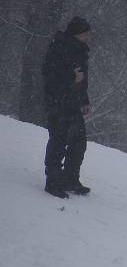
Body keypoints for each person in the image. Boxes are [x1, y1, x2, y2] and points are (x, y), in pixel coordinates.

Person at [42, 16, 92, 198]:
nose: (88, 37)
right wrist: (71, 78)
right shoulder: (59, 47)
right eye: (85, 33)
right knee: (59, 140)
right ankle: (53, 182)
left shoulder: (81, 51)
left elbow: (81, 81)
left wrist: (84, 101)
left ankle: (71, 179)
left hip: (73, 103)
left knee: (79, 142)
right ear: (77, 33)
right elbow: (49, 74)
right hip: (57, 102)